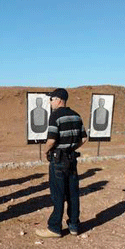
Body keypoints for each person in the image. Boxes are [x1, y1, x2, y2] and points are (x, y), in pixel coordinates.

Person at [36, 88, 87, 238]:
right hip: (72, 159)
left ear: (58, 100)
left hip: (58, 160)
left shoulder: (55, 116)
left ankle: (54, 228)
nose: (50, 102)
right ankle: (74, 226)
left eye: (51, 99)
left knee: (58, 194)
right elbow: (84, 138)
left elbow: (51, 140)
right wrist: (72, 148)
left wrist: (45, 151)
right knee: (73, 194)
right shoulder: (76, 115)